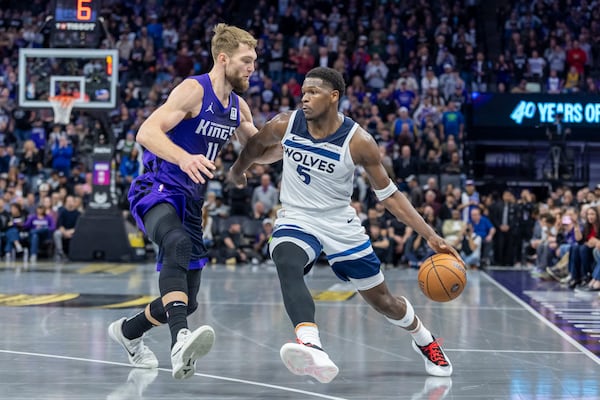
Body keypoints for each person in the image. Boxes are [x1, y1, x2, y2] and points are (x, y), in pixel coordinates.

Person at [228, 67, 462, 383]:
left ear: (334, 96)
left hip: (340, 223)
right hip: (298, 217)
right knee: (286, 259)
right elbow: (255, 145)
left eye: (313, 92)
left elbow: (390, 197)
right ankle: (311, 345)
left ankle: (424, 338)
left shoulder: (359, 142)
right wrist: (238, 169)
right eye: (303, 92)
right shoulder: (286, 123)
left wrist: (431, 236)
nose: (305, 97)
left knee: (385, 303)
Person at [108, 24, 280, 380]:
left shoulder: (238, 108)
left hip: (190, 201)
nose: (252, 68)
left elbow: (261, 151)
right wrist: (183, 157)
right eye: (247, 61)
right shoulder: (193, 90)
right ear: (223, 58)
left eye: (255, 62)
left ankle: (128, 332)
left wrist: (297, 146)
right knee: (176, 243)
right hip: (156, 188)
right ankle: (179, 341)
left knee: (187, 299)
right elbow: (146, 132)